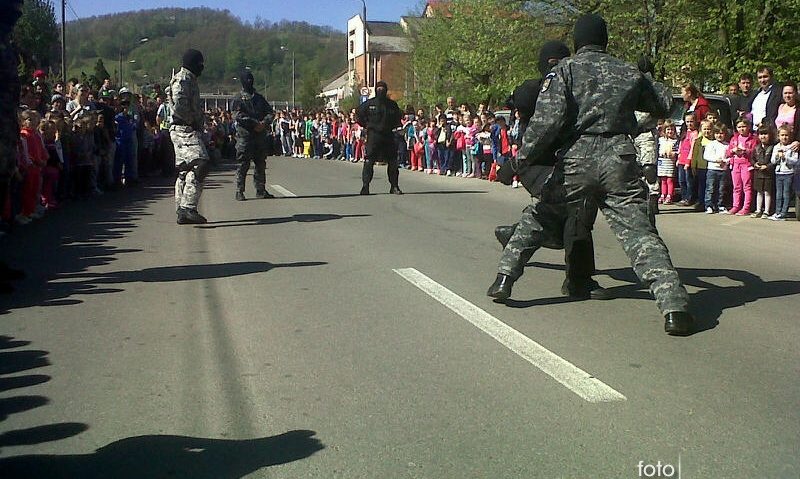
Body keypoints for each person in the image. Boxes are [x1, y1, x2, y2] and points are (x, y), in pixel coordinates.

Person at [516, 14, 694, 336]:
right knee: (640, 235)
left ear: (576, 41)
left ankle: (511, 272)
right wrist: (646, 79)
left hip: (578, 158)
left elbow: (547, 122)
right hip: (619, 158)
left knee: (549, 214)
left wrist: (522, 158)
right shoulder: (628, 72)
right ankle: (673, 306)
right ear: (606, 40)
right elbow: (668, 104)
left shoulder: (565, 70)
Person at [488, 40, 608, 301]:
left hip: (567, 165)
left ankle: (516, 243)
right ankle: (578, 279)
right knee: (566, 216)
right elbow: (534, 121)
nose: (554, 65)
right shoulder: (536, 89)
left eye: (559, 61)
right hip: (538, 166)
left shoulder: (579, 86)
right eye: (550, 62)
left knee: (569, 218)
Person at [169, 49, 210, 224]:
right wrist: (192, 120)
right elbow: (179, 106)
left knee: (185, 168)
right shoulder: (183, 79)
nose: (202, 68)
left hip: (187, 128)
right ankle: (188, 207)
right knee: (201, 163)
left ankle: (181, 209)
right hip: (183, 128)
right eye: (200, 64)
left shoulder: (190, 80)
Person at [232, 70, 274, 201]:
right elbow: (237, 116)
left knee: (260, 164)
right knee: (243, 164)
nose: (249, 82)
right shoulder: (238, 98)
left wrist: (264, 123)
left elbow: (270, 113)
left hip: (259, 136)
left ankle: (260, 189)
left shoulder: (259, 98)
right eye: (247, 79)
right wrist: (254, 123)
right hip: (245, 136)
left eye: (251, 79)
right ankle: (239, 191)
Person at [355, 80, 403, 195]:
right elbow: (359, 114)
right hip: (373, 136)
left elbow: (398, 118)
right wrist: (366, 125)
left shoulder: (392, 105)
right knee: (369, 161)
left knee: (393, 162)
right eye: (379, 88)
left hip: (388, 135)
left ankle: (394, 186)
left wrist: (394, 127)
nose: (380, 90)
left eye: (383, 88)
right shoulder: (369, 104)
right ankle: (365, 186)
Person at [769, 125, 798, 221]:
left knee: (786, 194)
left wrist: (785, 157)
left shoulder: (792, 147)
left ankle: (783, 213)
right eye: (782, 135)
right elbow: (773, 161)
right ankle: (778, 212)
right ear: (778, 136)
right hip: (779, 173)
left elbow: (795, 161)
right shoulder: (776, 147)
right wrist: (778, 156)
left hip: (788, 173)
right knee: (778, 194)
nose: (784, 137)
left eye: (786, 135)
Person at [750, 126, 775, 218]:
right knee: (759, 192)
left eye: (765, 134)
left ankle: (767, 211)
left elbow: (774, 161)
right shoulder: (756, 148)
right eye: (761, 134)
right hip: (758, 174)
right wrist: (755, 164)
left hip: (768, 174)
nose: (763, 136)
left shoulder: (772, 147)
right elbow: (752, 159)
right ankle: (758, 210)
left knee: (767, 192)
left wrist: (767, 166)